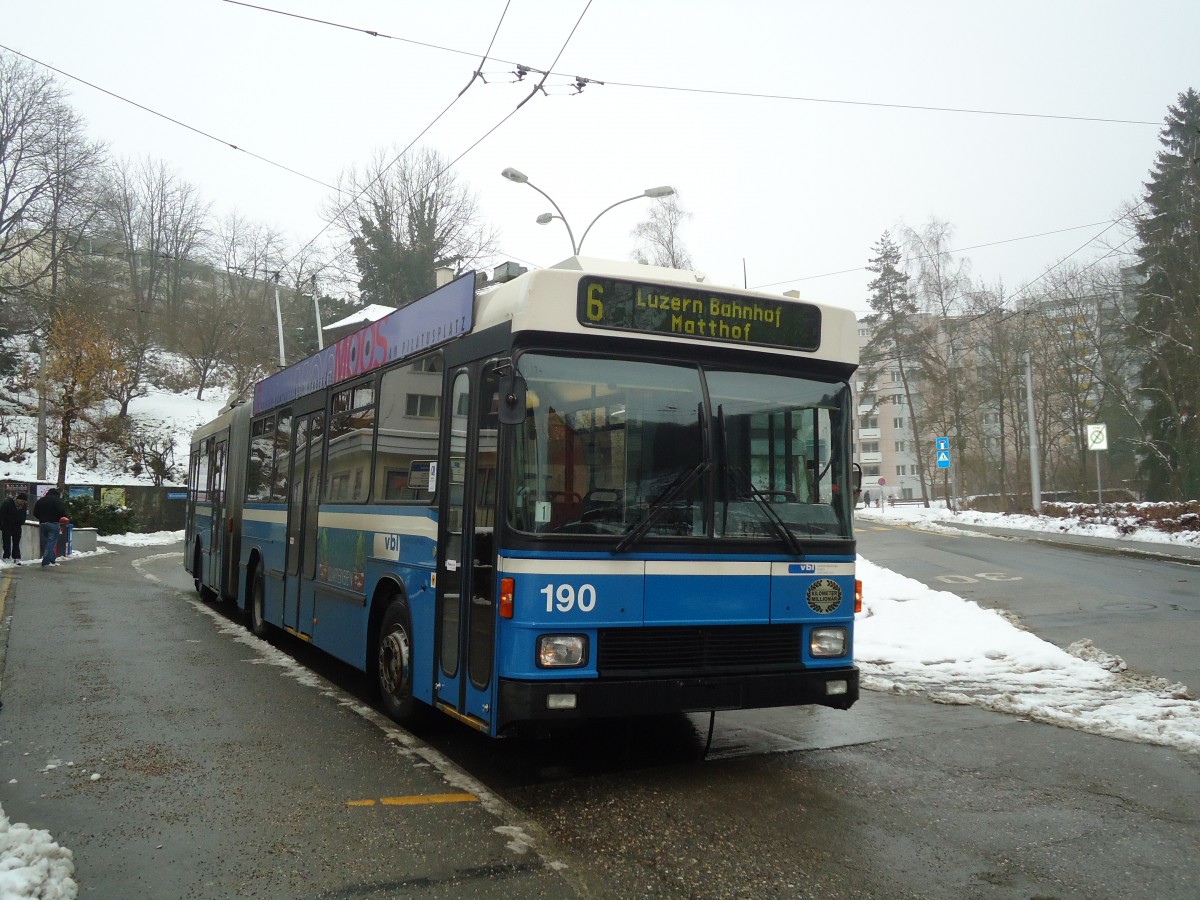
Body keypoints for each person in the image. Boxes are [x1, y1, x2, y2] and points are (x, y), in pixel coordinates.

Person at [33, 487, 68, 567]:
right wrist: (59, 517)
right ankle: (45, 561)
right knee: (51, 543)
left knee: (47, 542)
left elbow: (35, 513)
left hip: (42, 524)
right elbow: (62, 512)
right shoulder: (57, 500)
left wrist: (42, 518)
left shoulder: (41, 500)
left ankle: (52, 560)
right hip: (53, 523)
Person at [0, 492, 27, 560]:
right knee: (6, 542)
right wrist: (2, 525)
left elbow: (24, 515)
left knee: (16, 542)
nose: (22, 503)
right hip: (7, 525)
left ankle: (16, 557)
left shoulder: (24, 507)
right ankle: (6, 556)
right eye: (22, 501)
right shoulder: (8, 503)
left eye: (24, 501)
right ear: (18, 499)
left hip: (17, 526)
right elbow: (1, 514)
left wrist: (21, 521)